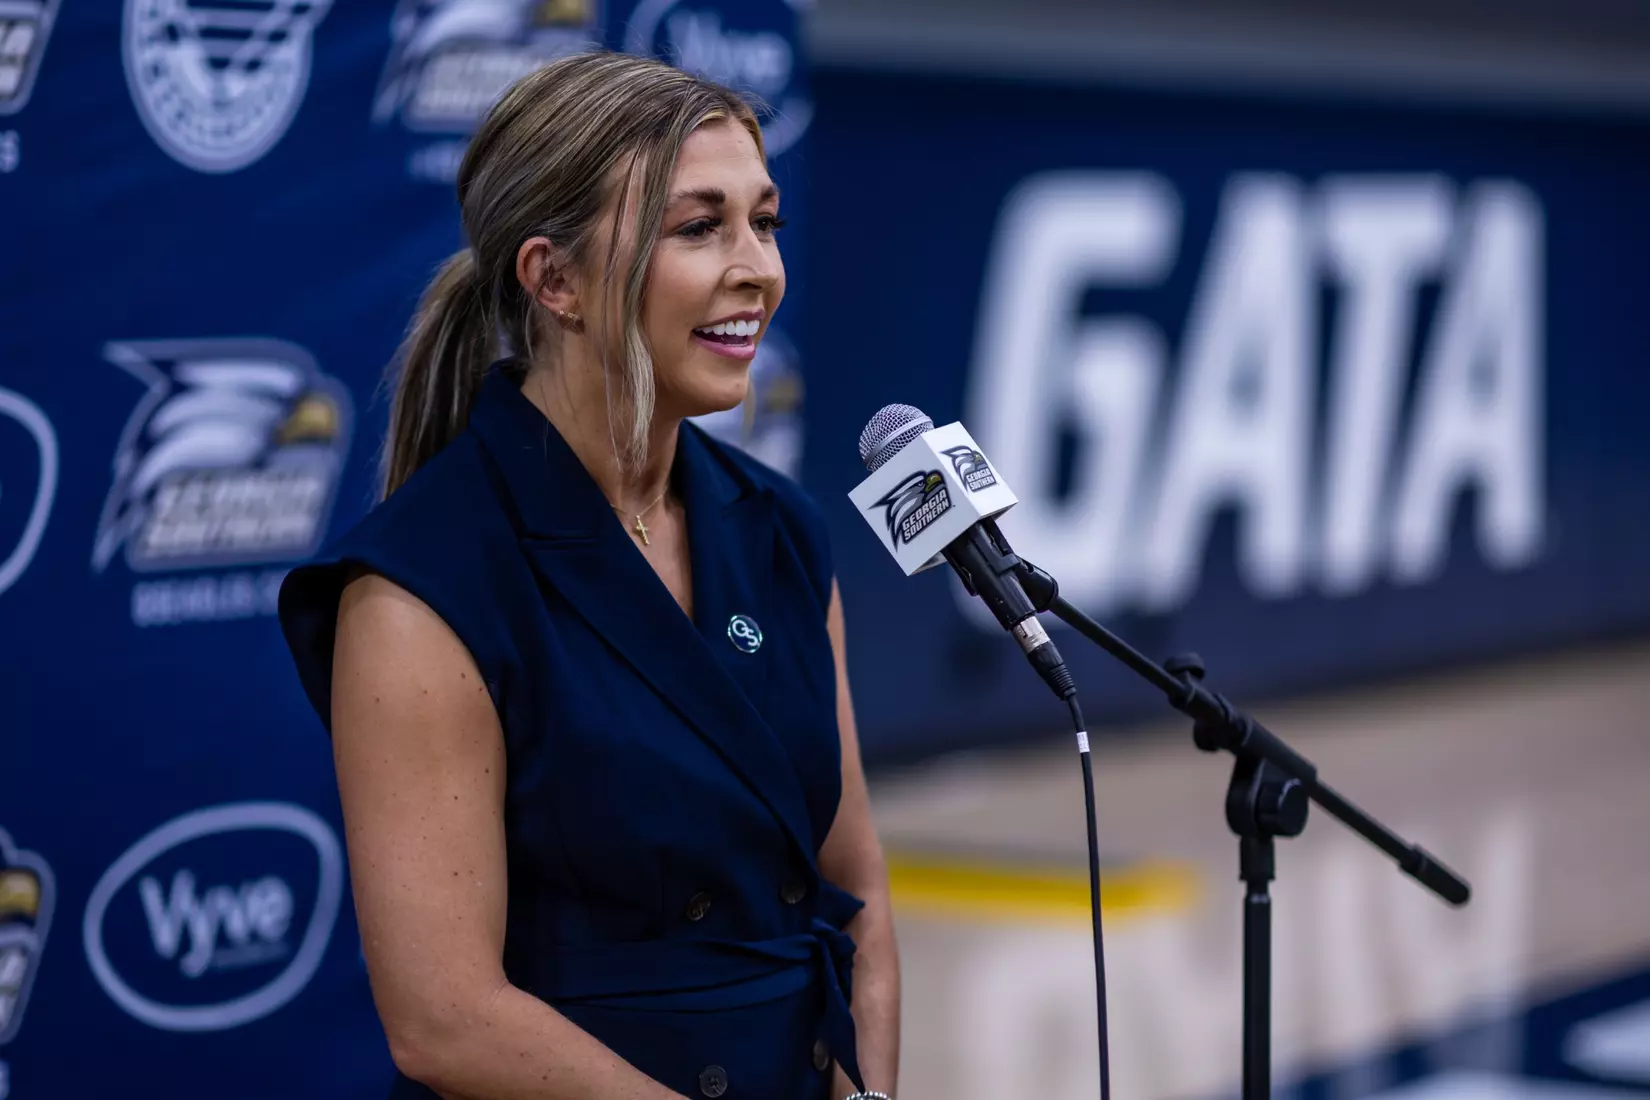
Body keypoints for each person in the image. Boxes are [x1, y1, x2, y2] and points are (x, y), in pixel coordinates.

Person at [277, 51, 900, 1100]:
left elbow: (857, 891)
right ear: (553, 279)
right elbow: (445, 1019)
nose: (758, 267)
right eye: (699, 227)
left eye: (766, 220)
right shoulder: (419, 585)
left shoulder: (783, 529)